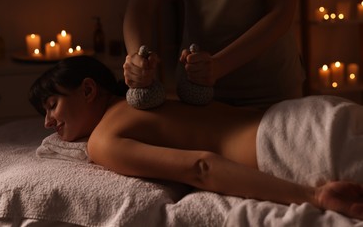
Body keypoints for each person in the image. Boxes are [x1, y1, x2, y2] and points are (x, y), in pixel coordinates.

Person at [29, 56, 363, 220]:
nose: (47, 122)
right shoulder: (155, 97)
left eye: (52, 105)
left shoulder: (103, 140)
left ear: (88, 89)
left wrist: (315, 196)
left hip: (293, 147)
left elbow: (200, 167)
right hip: (312, 114)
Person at [123, 0, 305, 109]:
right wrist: (136, 59)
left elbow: (280, 13)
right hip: (197, 87)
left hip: (267, 84)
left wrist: (219, 65)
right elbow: (140, 8)